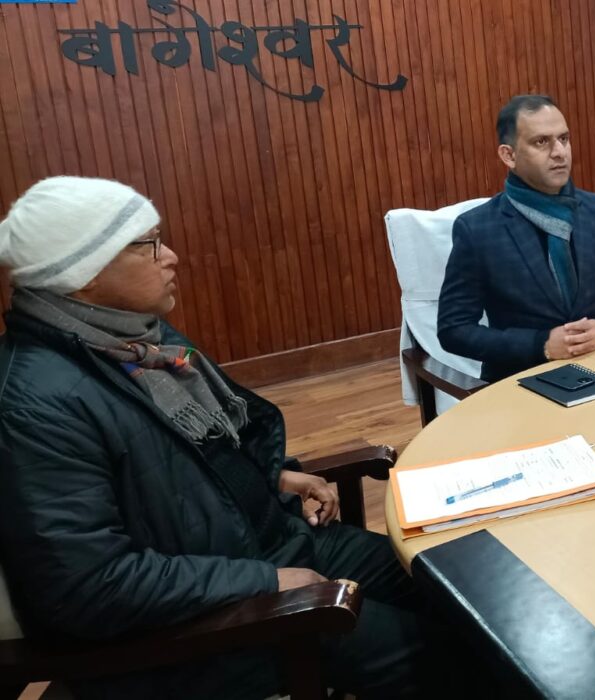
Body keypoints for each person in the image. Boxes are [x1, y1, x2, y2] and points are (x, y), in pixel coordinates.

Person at [0, 177, 457, 699]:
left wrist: (275, 475)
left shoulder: (134, 340)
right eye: (148, 245)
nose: (171, 257)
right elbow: (83, 588)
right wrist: (265, 584)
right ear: (82, 274)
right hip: (203, 628)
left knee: (460, 587)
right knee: (455, 659)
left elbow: (188, 458)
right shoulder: (35, 404)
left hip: (266, 545)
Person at [437, 94, 595, 382]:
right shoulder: (478, 229)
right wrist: (540, 344)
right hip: (520, 380)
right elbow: (454, 329)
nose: (559, 152)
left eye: (564, 139)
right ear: (509, 155)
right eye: (541, 142)